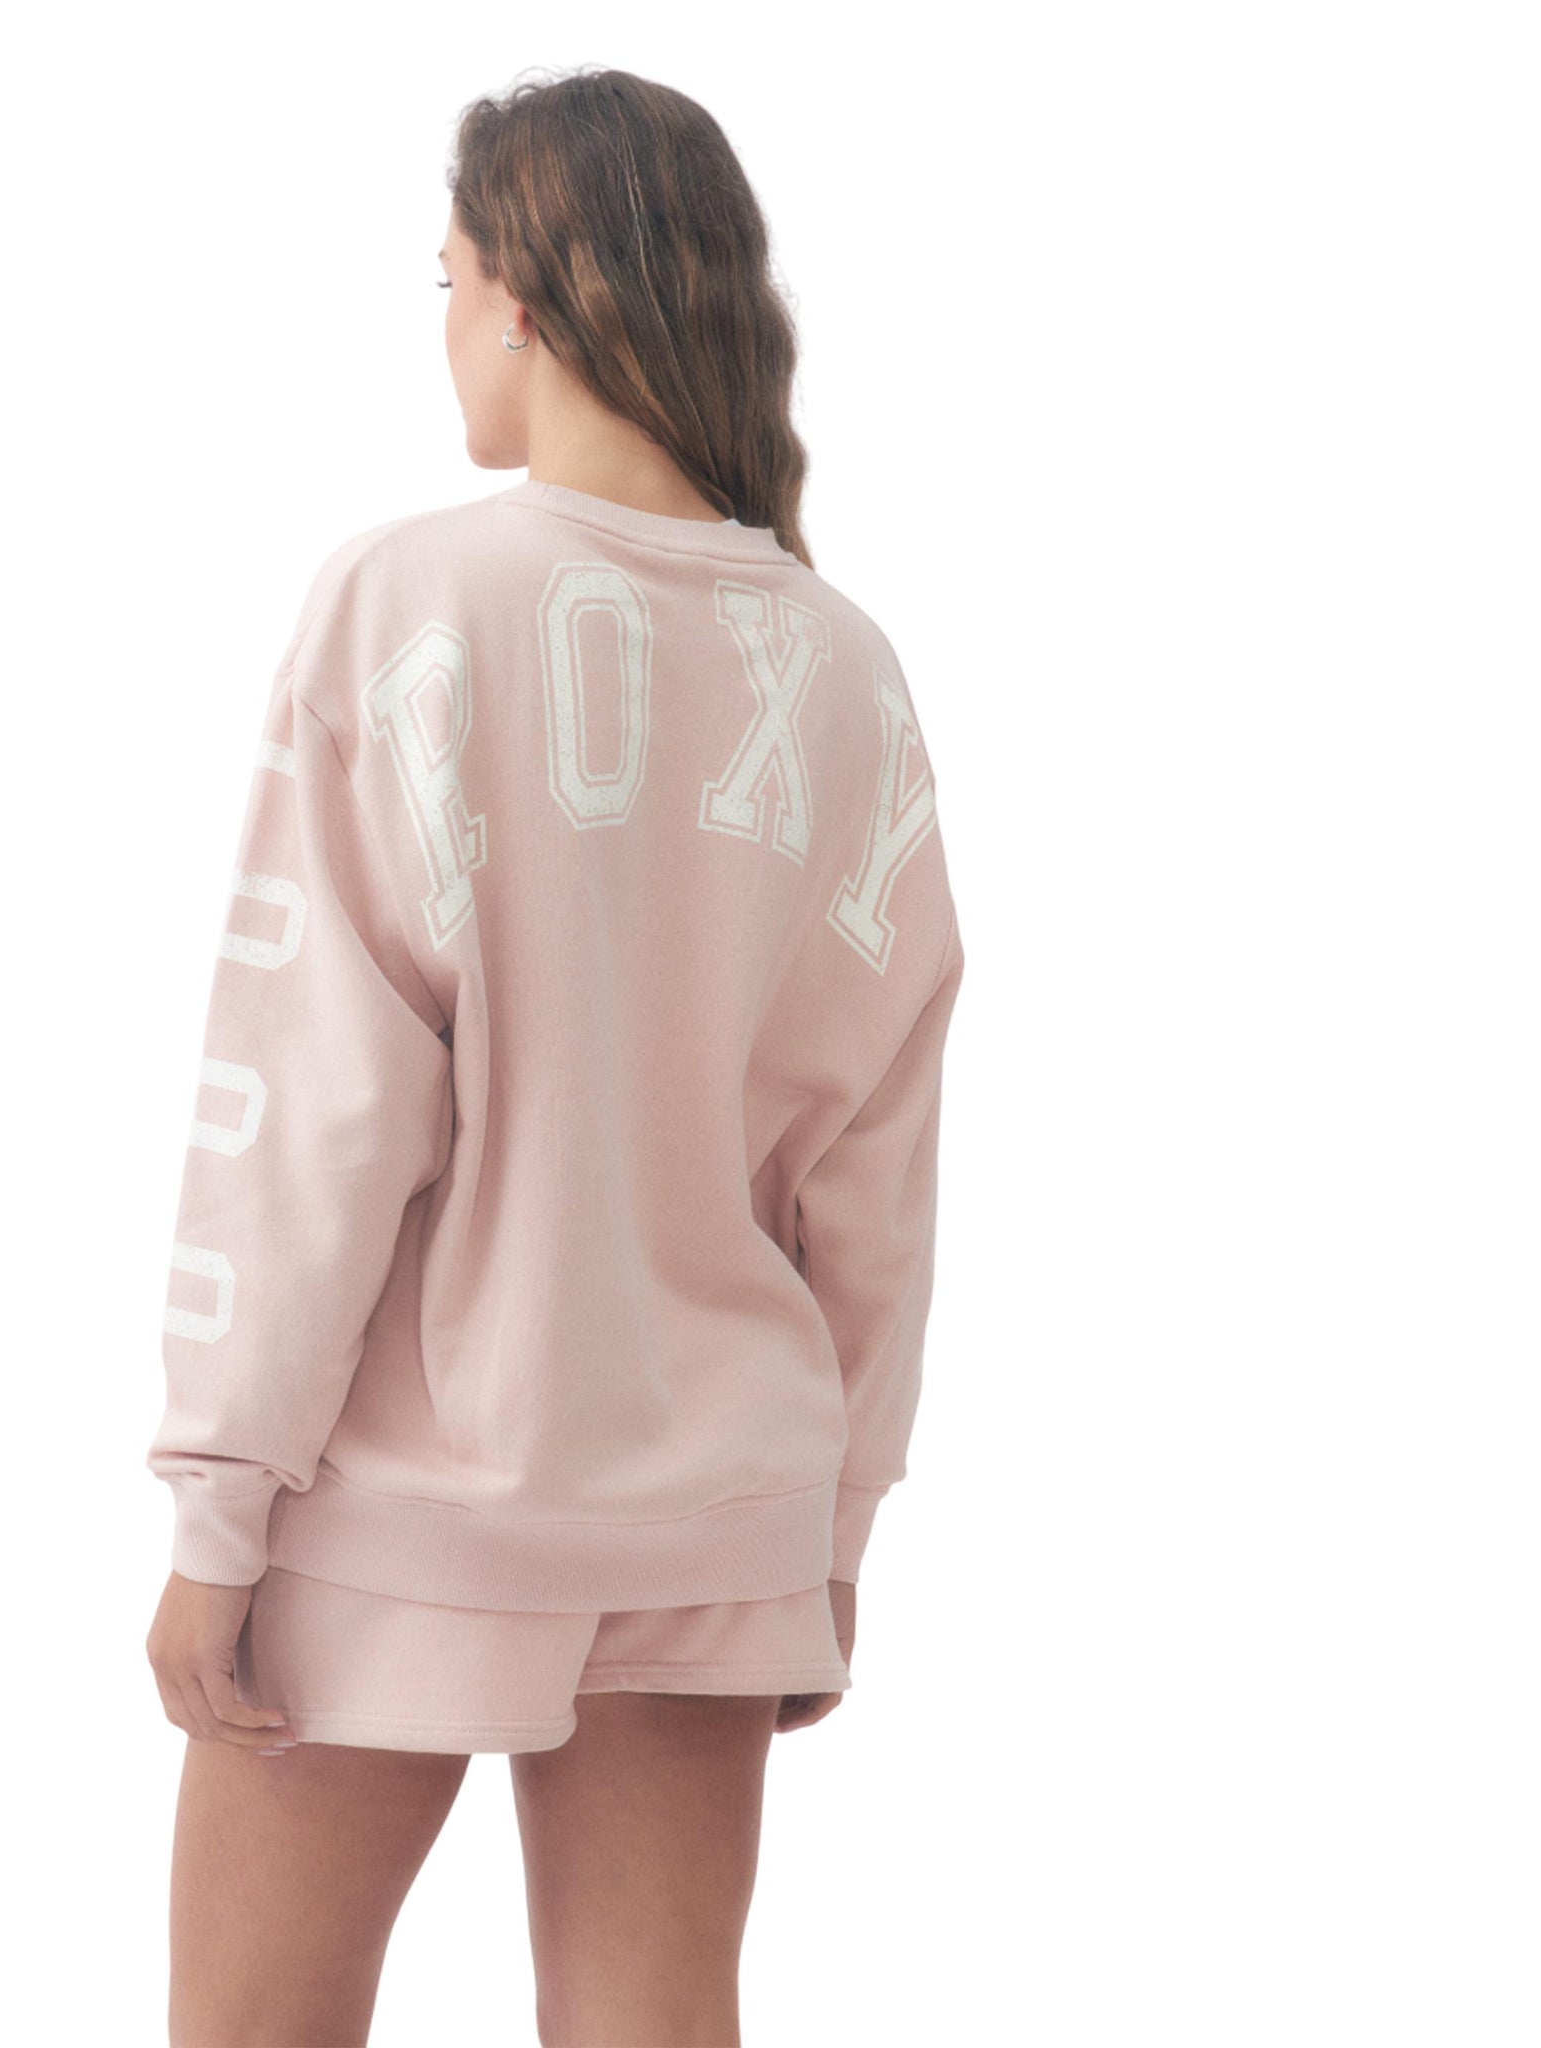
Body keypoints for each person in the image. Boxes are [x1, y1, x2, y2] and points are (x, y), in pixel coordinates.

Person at [144, 65, 966, 2048]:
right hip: (718, 1504)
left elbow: (315, 1112)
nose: (442, 324)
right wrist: (831, 1535)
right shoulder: (845, 667)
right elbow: (875, 1171)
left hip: (409, 1499)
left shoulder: (408, 601)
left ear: (521, 296)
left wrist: (218, 1510)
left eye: (444, 279)